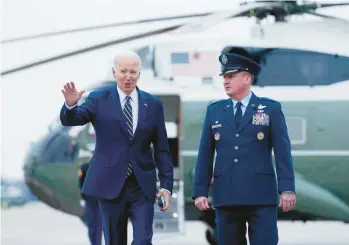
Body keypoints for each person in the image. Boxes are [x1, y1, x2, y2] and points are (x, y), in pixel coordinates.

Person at [60, 50, 174, 245]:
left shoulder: (153, 105)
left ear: (139, 74)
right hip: (110, 184)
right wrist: (70, 106)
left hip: (142, 185)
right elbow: (74, 119)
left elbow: (162, 148)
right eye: (123, 71)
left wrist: (166, 186)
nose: (128, 76)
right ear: (114, 72)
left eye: (133, 71)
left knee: (144, 240)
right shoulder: (98, 99)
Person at [192, 53, 296, 245]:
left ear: (247, 78)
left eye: (231, 76)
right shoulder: (214, 111)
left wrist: (287, 189)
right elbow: (205, 154)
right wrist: (200, 191)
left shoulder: (270, 109)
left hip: (261, 195)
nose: (226, 81)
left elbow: (283, 152)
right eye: (224, 77)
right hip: (227, 195)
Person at [78, 161, 103, 245]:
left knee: (99, 226)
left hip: (100, 201)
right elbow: (80, 183)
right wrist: (82, 198)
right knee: (91, 225)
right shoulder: (84, 167)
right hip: (89, 200)